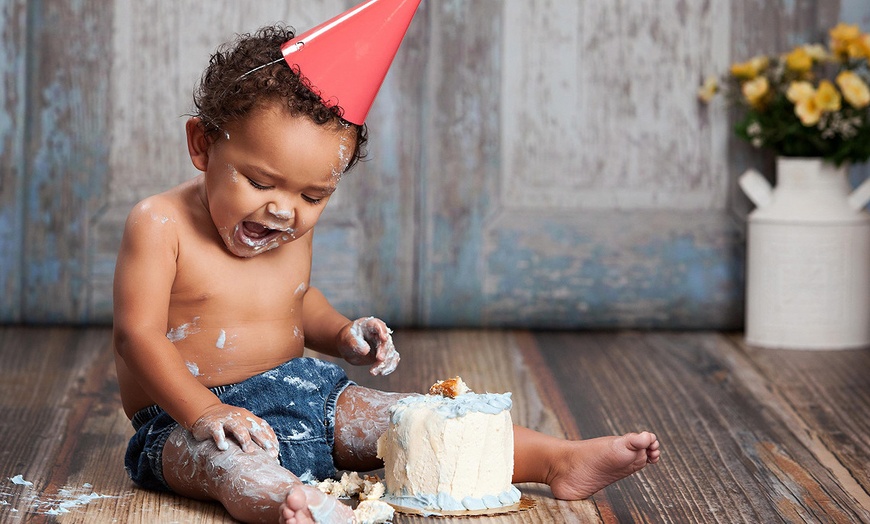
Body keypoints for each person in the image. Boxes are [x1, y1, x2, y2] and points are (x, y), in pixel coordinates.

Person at [113, 23, 661, 524]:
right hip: (187, 414)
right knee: (231, 465)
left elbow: (295, 301)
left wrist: (342, 333)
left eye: (312, 195)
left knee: (414, 419)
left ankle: (556, 461)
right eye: (260, 182)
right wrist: (205, 410)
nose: (284, 210)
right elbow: (136, 336)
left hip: (306, 393)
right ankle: (296, 506)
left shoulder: (282, 227)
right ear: (202, 145)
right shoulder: (160, 223)